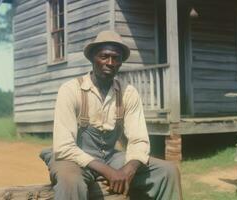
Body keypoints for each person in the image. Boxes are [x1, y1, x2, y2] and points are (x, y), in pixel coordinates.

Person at [40, 30, 183, 200]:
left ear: (121, 63)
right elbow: (64, 147)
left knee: (168, 171)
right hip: (73, 158)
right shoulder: (71, 90)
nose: (110, 62)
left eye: (116, 58)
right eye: (104, 56)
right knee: (71, 181)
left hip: (110, 157)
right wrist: (110, 172)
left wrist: (128, 169)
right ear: (93, 58)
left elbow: (139, 141)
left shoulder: (128, 93)